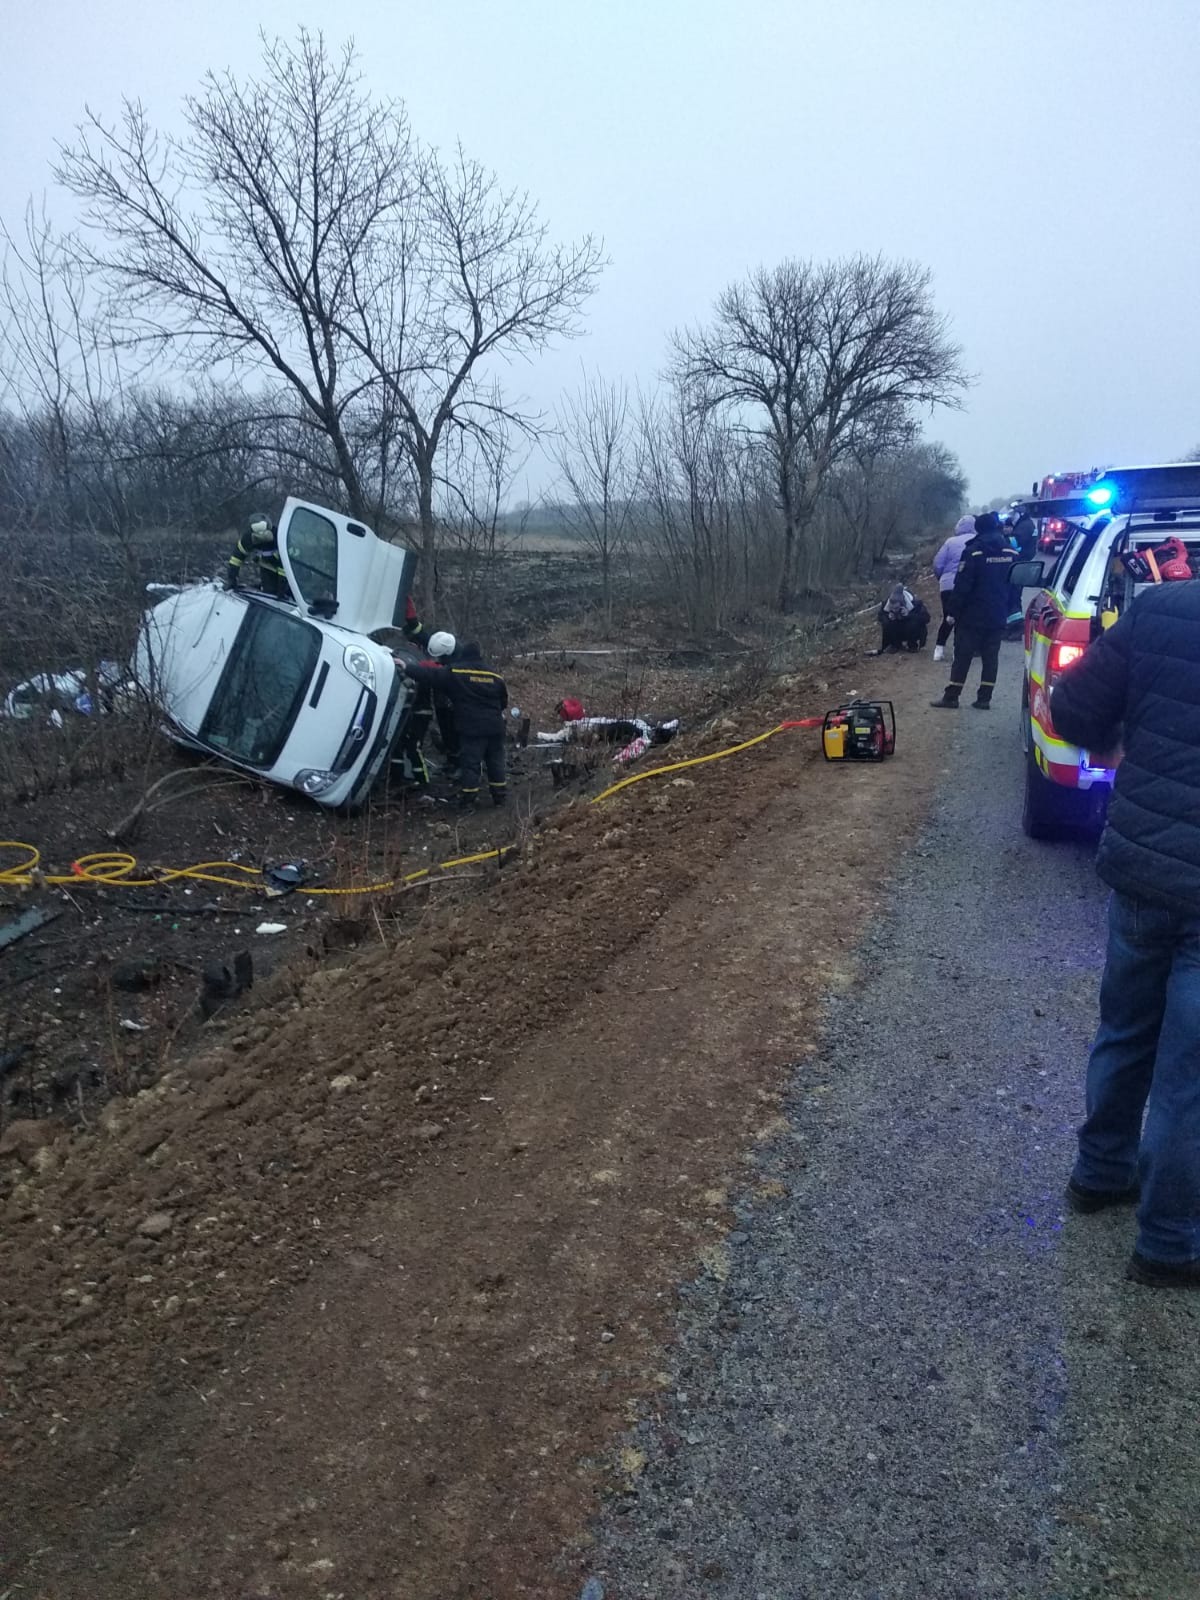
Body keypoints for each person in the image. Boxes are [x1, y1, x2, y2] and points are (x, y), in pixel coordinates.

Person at [1050, 579, 1200, 1287]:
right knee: (1190, 1079)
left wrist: (1123, 744)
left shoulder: (1163, 608)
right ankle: (1170, 1243)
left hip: (1144, 870)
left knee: (1125, 1030)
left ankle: (1100, 1173)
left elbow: (1073, 707)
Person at [403, 641, 508, 809]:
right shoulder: (495, 675)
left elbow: (430, 675)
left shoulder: (457, 671)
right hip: (495, 726)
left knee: (471, 763)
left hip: (472, 727)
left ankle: (469, 798)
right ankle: (500, 796)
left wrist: (407, 667)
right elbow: (503, 702)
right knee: (495, 762)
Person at [929, 512, 1016, 710]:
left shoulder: (974, 551)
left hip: (972, 615)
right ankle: (984, 698)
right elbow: (1015, 584)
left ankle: (952, 696)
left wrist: (952, 612)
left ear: (979, 529)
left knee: (963, 655)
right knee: (990, 656)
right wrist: (1009, 608)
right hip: (998, 614)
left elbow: (963, 585)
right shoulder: (1010, 552)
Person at [402, 598, 462, 779]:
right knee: (446, 732)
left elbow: (438, 672)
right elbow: (417, 631)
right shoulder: (439, 644)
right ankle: (452, 761)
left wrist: (415, 666)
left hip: (455, 705)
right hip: (442, 703)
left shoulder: (458, 662)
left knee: (455, 733)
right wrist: (406, 605)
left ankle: (460, 765)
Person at [394, 627, 456, 788]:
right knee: (399, 745)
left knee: (414, 747)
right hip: (409, 711)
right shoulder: (425, 664)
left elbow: (431, 672)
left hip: (421, 711)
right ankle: (397, 778)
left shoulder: (428, 666)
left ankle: (423, 781)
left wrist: (408, 666)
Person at [931, 515, 976, 662]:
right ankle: (958, 652)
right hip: (968, 586)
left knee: (948, 617)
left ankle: (939, 649)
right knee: (963, 619)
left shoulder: (950, 542)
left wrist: (942, 578)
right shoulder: (977, 541)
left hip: (947, 585)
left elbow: (938, 563)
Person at [225, 512, 288, 598]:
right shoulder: (247, 539)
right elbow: (236, 559)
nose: (262, 537)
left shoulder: (279, 537)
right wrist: (232, 579)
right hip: (267, 567)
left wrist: (282, 588)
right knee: (270, 593)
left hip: (288, 569)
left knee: (288, 592)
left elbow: (285, 566)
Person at [875, 585, 930, 653]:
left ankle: (913, 645)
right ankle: (894, 645)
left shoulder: (915, 602)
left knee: (913, 621)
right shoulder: (886, 603)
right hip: (898, 629)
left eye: (897, 608)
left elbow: (926, 618)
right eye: (892, 608)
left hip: (912, 630)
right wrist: (888, 616)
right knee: (886, 622)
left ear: (902, 604)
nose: (895, 610)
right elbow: (880, 617)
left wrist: (909, 615)